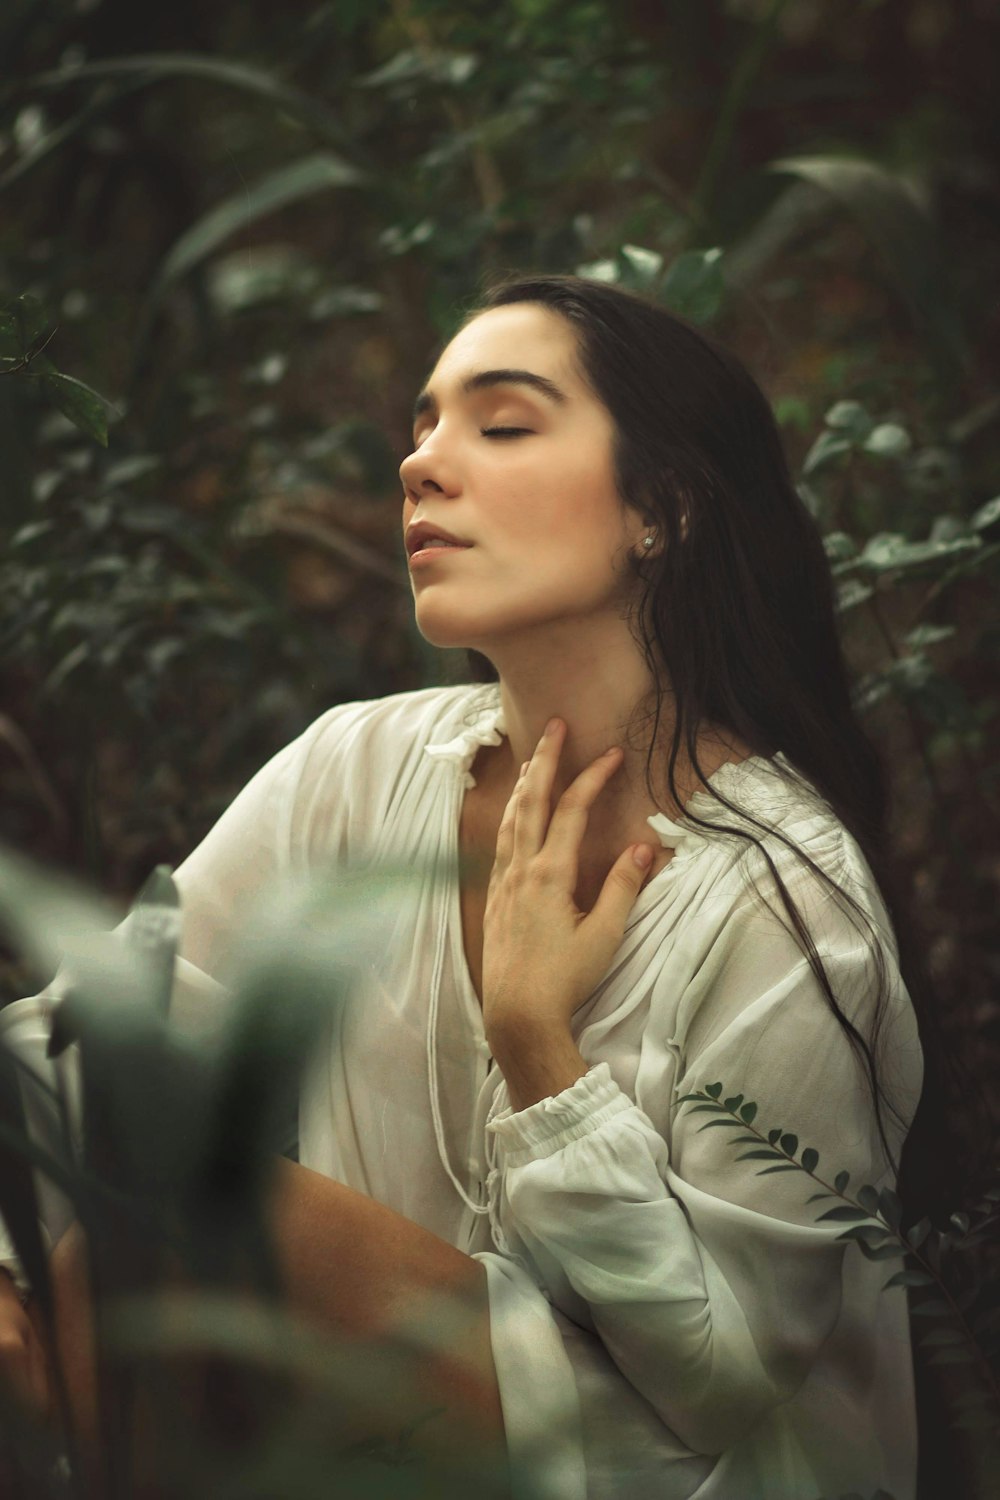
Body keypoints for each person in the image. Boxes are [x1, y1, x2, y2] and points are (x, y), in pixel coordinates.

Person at [0, 273, 933, 1499]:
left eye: (499, 424)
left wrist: (537, 1050)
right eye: (422, 426)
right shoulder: (353, 771)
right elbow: (89, 1040)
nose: (422, 466)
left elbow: (721, 1383)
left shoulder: (781, 893)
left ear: (664, 508)